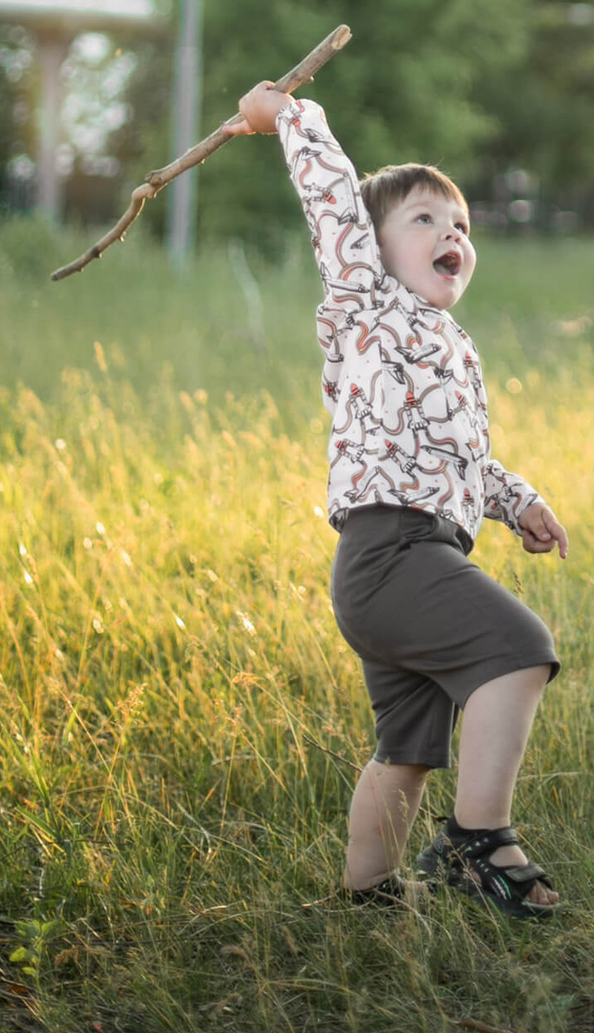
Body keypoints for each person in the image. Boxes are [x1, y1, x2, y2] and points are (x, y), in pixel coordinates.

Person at [232, 83, 568, 919]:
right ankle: (477, 836)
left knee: (406, 752)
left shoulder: (449, 343)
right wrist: (289, 116)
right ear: (372, 251)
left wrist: (517, 499)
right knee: (520, 647)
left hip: (416, 558)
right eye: (424, 220)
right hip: (389, 556)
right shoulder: (366, 305)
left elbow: (462, 457)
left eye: (459, 224)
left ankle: (368, 895)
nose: (451, 233)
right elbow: (334, 204)